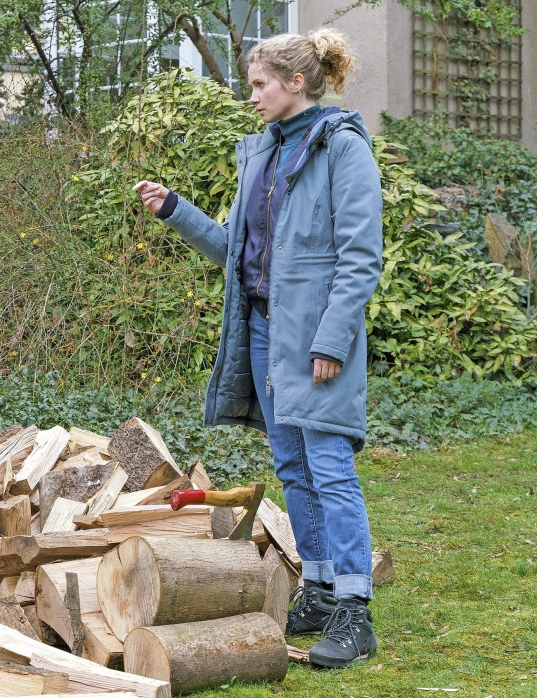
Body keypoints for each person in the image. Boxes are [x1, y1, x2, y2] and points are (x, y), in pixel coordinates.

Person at [135, 29, 383, 669]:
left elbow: (360, 260)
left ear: (296, 83)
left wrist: (331, 341)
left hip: (318, 340)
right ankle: (322, 587)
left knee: (329, 467)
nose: (253, 97)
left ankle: (355, 612)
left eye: (260, 84)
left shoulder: (344, 149)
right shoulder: (262, 155)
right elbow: (237, 257)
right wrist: (176, 211)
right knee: (294, 469)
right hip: (266, 335)